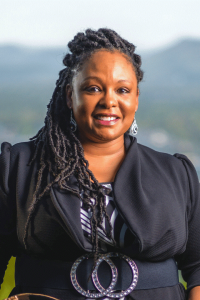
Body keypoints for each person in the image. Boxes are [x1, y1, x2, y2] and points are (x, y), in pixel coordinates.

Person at [0, 28, 200, 300]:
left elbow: (197, 266)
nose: (109, 101)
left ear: (136, 99)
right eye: (93, 88)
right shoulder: (19, 167)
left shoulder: (176, 173)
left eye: (123, 89)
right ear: (70, 95)